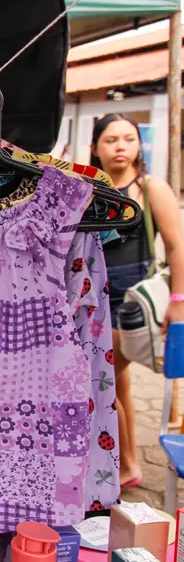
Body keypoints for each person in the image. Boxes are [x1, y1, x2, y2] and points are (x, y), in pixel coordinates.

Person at [90, 113, 184, 490]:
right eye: (111, 140)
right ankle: (124, 463)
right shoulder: (89, 187)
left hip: (130, 302)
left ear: (139, 145)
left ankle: (126, 465)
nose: (121, 147)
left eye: (129, 138)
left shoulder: (149, 188)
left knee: (110, 382)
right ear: (96, 147)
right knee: (115, 384)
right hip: (93, 298)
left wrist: (178, 300)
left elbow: (177, 246)